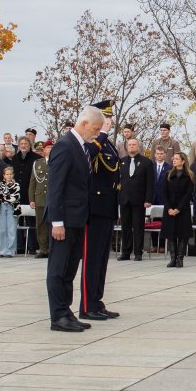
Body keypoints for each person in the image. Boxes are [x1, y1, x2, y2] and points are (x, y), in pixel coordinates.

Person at [47, 104, 105, 332]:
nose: (97, 133)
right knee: (58, 270)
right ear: (83, 123)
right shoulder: (64, 146)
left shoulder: (81, 147)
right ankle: (57, 316)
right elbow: (55, 188)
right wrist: (57, 221)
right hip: (65, 221)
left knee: (69, 270)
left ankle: (66, 312)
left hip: (78, 220)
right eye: (96, 128)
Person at [81, 103, 121, 321]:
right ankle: (86, 305)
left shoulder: (109, 145)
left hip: (107, 207)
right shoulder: (91, 142)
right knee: (92, 259)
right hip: (94, 209)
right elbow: (88, 154)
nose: (109, 122)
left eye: (109, 119)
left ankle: (97, 301)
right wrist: (102, 134)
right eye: (106, 119)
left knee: (102, 260)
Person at [118, 138, 154, 262]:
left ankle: (138, 252)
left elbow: (150, 183)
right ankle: (126, 252)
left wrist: (148, 199)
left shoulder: (146, 162)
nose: (131, 146)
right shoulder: (121, 162)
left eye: (134, 144)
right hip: (124, 199)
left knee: (138, 227)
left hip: (139, 200)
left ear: (138, 147)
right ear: (126, 147)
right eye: (129, 145)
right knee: (125, 227)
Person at [162, 153, 194, 268]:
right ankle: (173, 258)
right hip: (169, 209)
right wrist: (169, 208)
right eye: (173, 159)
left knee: (182, 234)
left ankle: (180, 258)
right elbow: (164, 192)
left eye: (176, 159)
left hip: (183, 209)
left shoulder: (189, 176)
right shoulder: (168, 175)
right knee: (171, 234)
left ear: (183, 161)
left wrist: (178, 208)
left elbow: (188, 194)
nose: (174, 160)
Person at [11, 136, 40, 252]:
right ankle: (19, 246)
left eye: (26, 144)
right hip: (17, 195)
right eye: (21, 144)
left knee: (30, 221)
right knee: (17, 220)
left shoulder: (37, 159)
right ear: (18, 145)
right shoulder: (14, 159)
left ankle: (32, 246)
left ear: (30, 145)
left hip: (30, 195)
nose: (23, 146)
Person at [29, 140, 53, 258]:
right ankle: (43, 249)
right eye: (48, 147)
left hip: (53, 198)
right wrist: (31, 199)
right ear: (43, 150)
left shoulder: (58, 162)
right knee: (41, 224)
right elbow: (33, 182)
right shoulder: (37, 163)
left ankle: (53, 249)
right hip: (40, 198)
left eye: (52, 147)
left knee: (53, 224)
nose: (50, 149)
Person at [0, 166, 20, 257]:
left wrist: (4, 197)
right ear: (4, 175)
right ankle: (1, 251)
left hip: (12, 208)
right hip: (1, 207)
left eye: (10, 174)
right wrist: (5, 196)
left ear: (13, 175)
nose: (9, 176)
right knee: (2, 229)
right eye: (7, 174)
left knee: (11, 229)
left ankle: (10, 251)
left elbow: (15, 197)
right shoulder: (0, 184)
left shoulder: (16, 185)